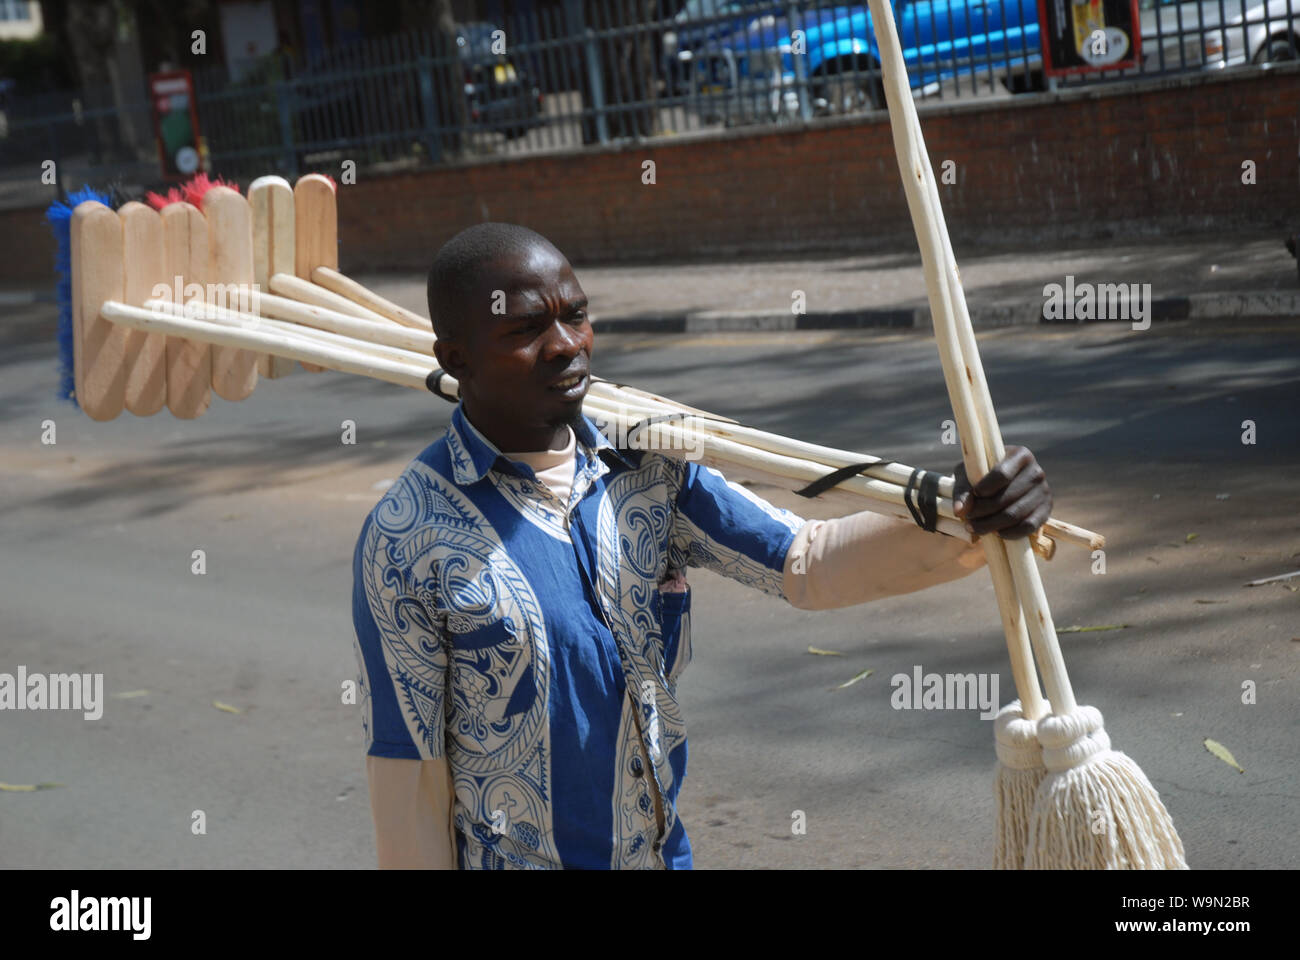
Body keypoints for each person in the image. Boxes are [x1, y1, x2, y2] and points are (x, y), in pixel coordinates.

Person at [351, 223, 1053, 870]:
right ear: (455, 357)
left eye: (576, 314)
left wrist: (963, 509)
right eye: (527, 328)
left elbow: (805, 562)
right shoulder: (407, 537)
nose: (567, 343)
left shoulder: (648, 468)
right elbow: (409, 770)